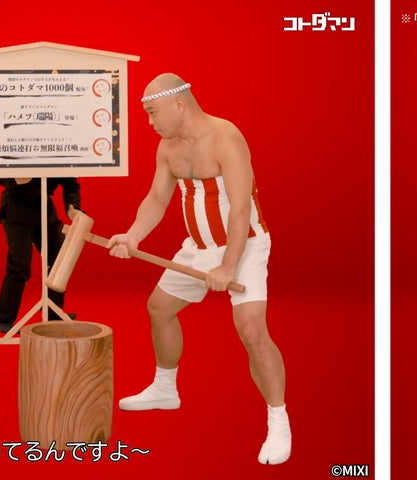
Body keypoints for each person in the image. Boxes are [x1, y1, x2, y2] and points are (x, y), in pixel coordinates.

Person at [104, 73, 289, 464]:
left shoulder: (226, 137)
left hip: (245, 246)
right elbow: (157, 198)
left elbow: (240, 208)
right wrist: (133, 236)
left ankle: (278, 420)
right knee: (159, 308)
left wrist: (228, 265)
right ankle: (165, 388)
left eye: (153, 112)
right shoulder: (167, 146)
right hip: (197, 249)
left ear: (179, 105)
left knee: (252, 331)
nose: (150, 122)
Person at [0, 176, 84, 334]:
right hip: (16, 210)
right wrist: (13, 180)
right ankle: (5, 318)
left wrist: (72, 207)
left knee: (60, 258)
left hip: (45, 211)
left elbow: (71, 183)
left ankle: (53, 312)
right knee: (19, 266)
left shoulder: (60, 160)